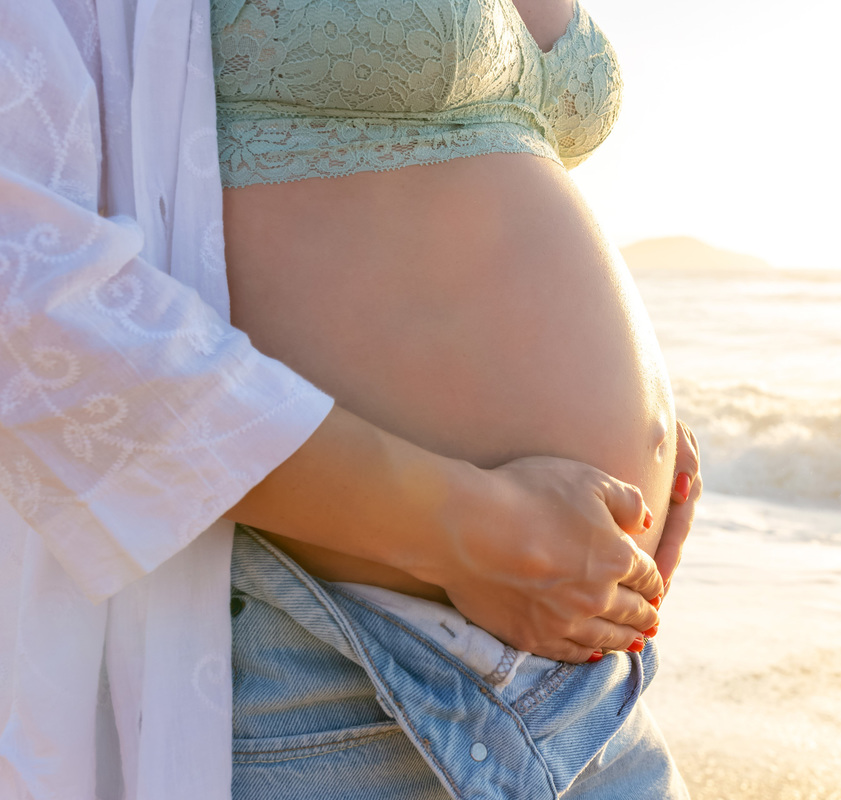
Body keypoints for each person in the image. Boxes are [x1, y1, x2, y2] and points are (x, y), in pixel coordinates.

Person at [0, 0, 699, 797]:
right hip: (325, 676)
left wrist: (639, 417)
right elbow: (22, 292)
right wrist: (456, 525)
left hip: (588, 685)